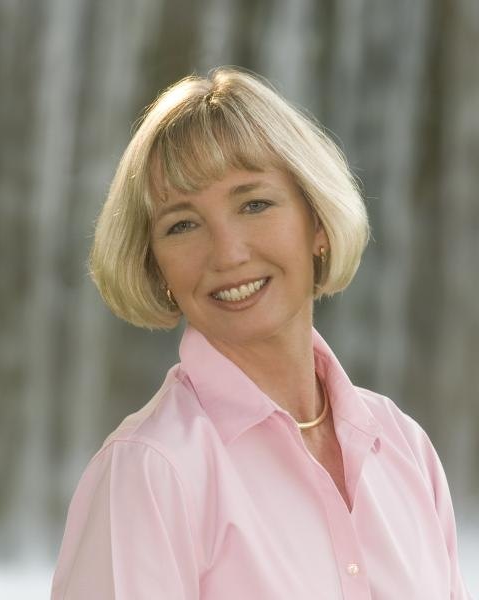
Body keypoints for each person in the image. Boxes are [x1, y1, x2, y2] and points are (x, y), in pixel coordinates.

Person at [50, 66, 471, 599]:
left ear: (316, 223)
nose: (228, 254)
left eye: (254, 204)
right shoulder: (150, 472)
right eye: (182, 224)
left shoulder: (405, 447)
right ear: (155, 266)